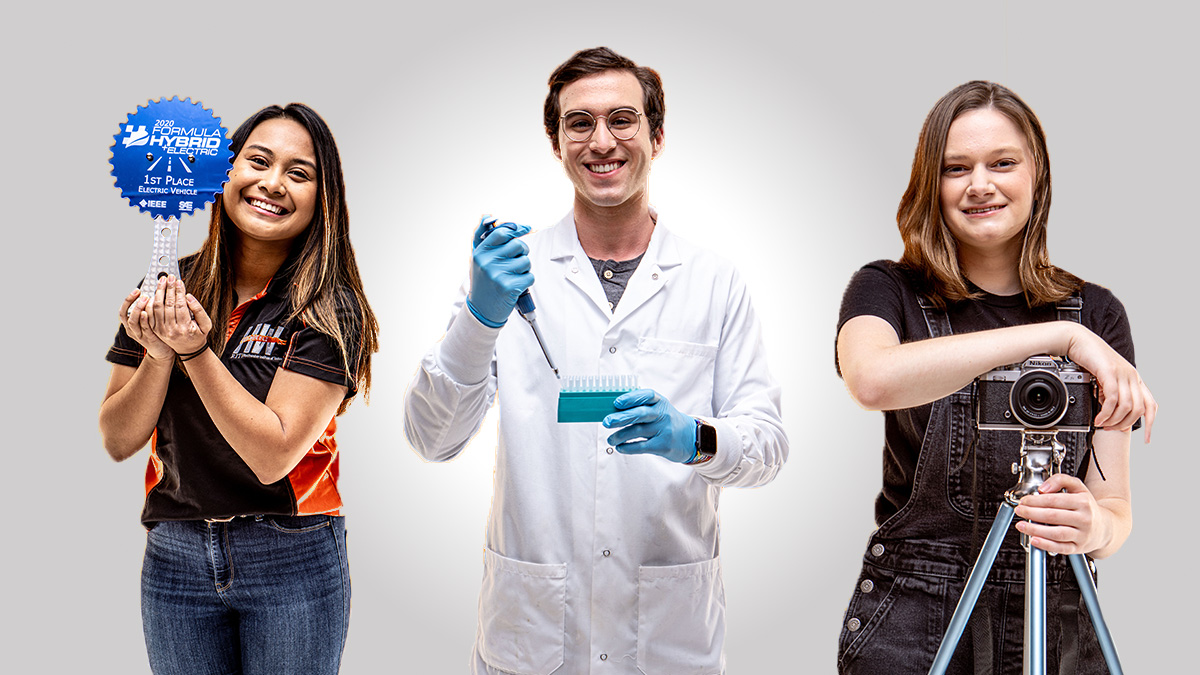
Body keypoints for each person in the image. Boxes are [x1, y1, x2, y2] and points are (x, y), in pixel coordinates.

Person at [404, 47, 787, 674]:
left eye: (622, 120)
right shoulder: (509, 276)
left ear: (656, 136)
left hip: (669, 639)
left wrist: (694, 438)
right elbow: (432, 438)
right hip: (532, 635)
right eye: (578, 123)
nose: (601, 140)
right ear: (556, 142)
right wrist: (480, 316)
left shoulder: (714, 281)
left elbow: (767, 446)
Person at [834, 81, 1157, 674]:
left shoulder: (1098, 314)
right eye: (956, 168)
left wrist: (1093, 527)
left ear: (1037, 175)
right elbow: (873, 379)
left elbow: (1115, 510)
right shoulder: (887, 289)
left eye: (1002, 163)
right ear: (931, 184)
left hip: (1057, 614)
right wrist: (1057, 338)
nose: (980, 184)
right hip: (915, 617)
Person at [99, 103, 378, 675]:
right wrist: (157, 350)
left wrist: (195, 353)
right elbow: (119, 437)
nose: (272, 184)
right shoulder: (167, 287)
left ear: (323, 199)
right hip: (174, 552)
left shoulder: (329, 308)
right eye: (258, 160)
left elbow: (272, 455)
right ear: (224, 172)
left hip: (291, 554)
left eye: (299, 173)